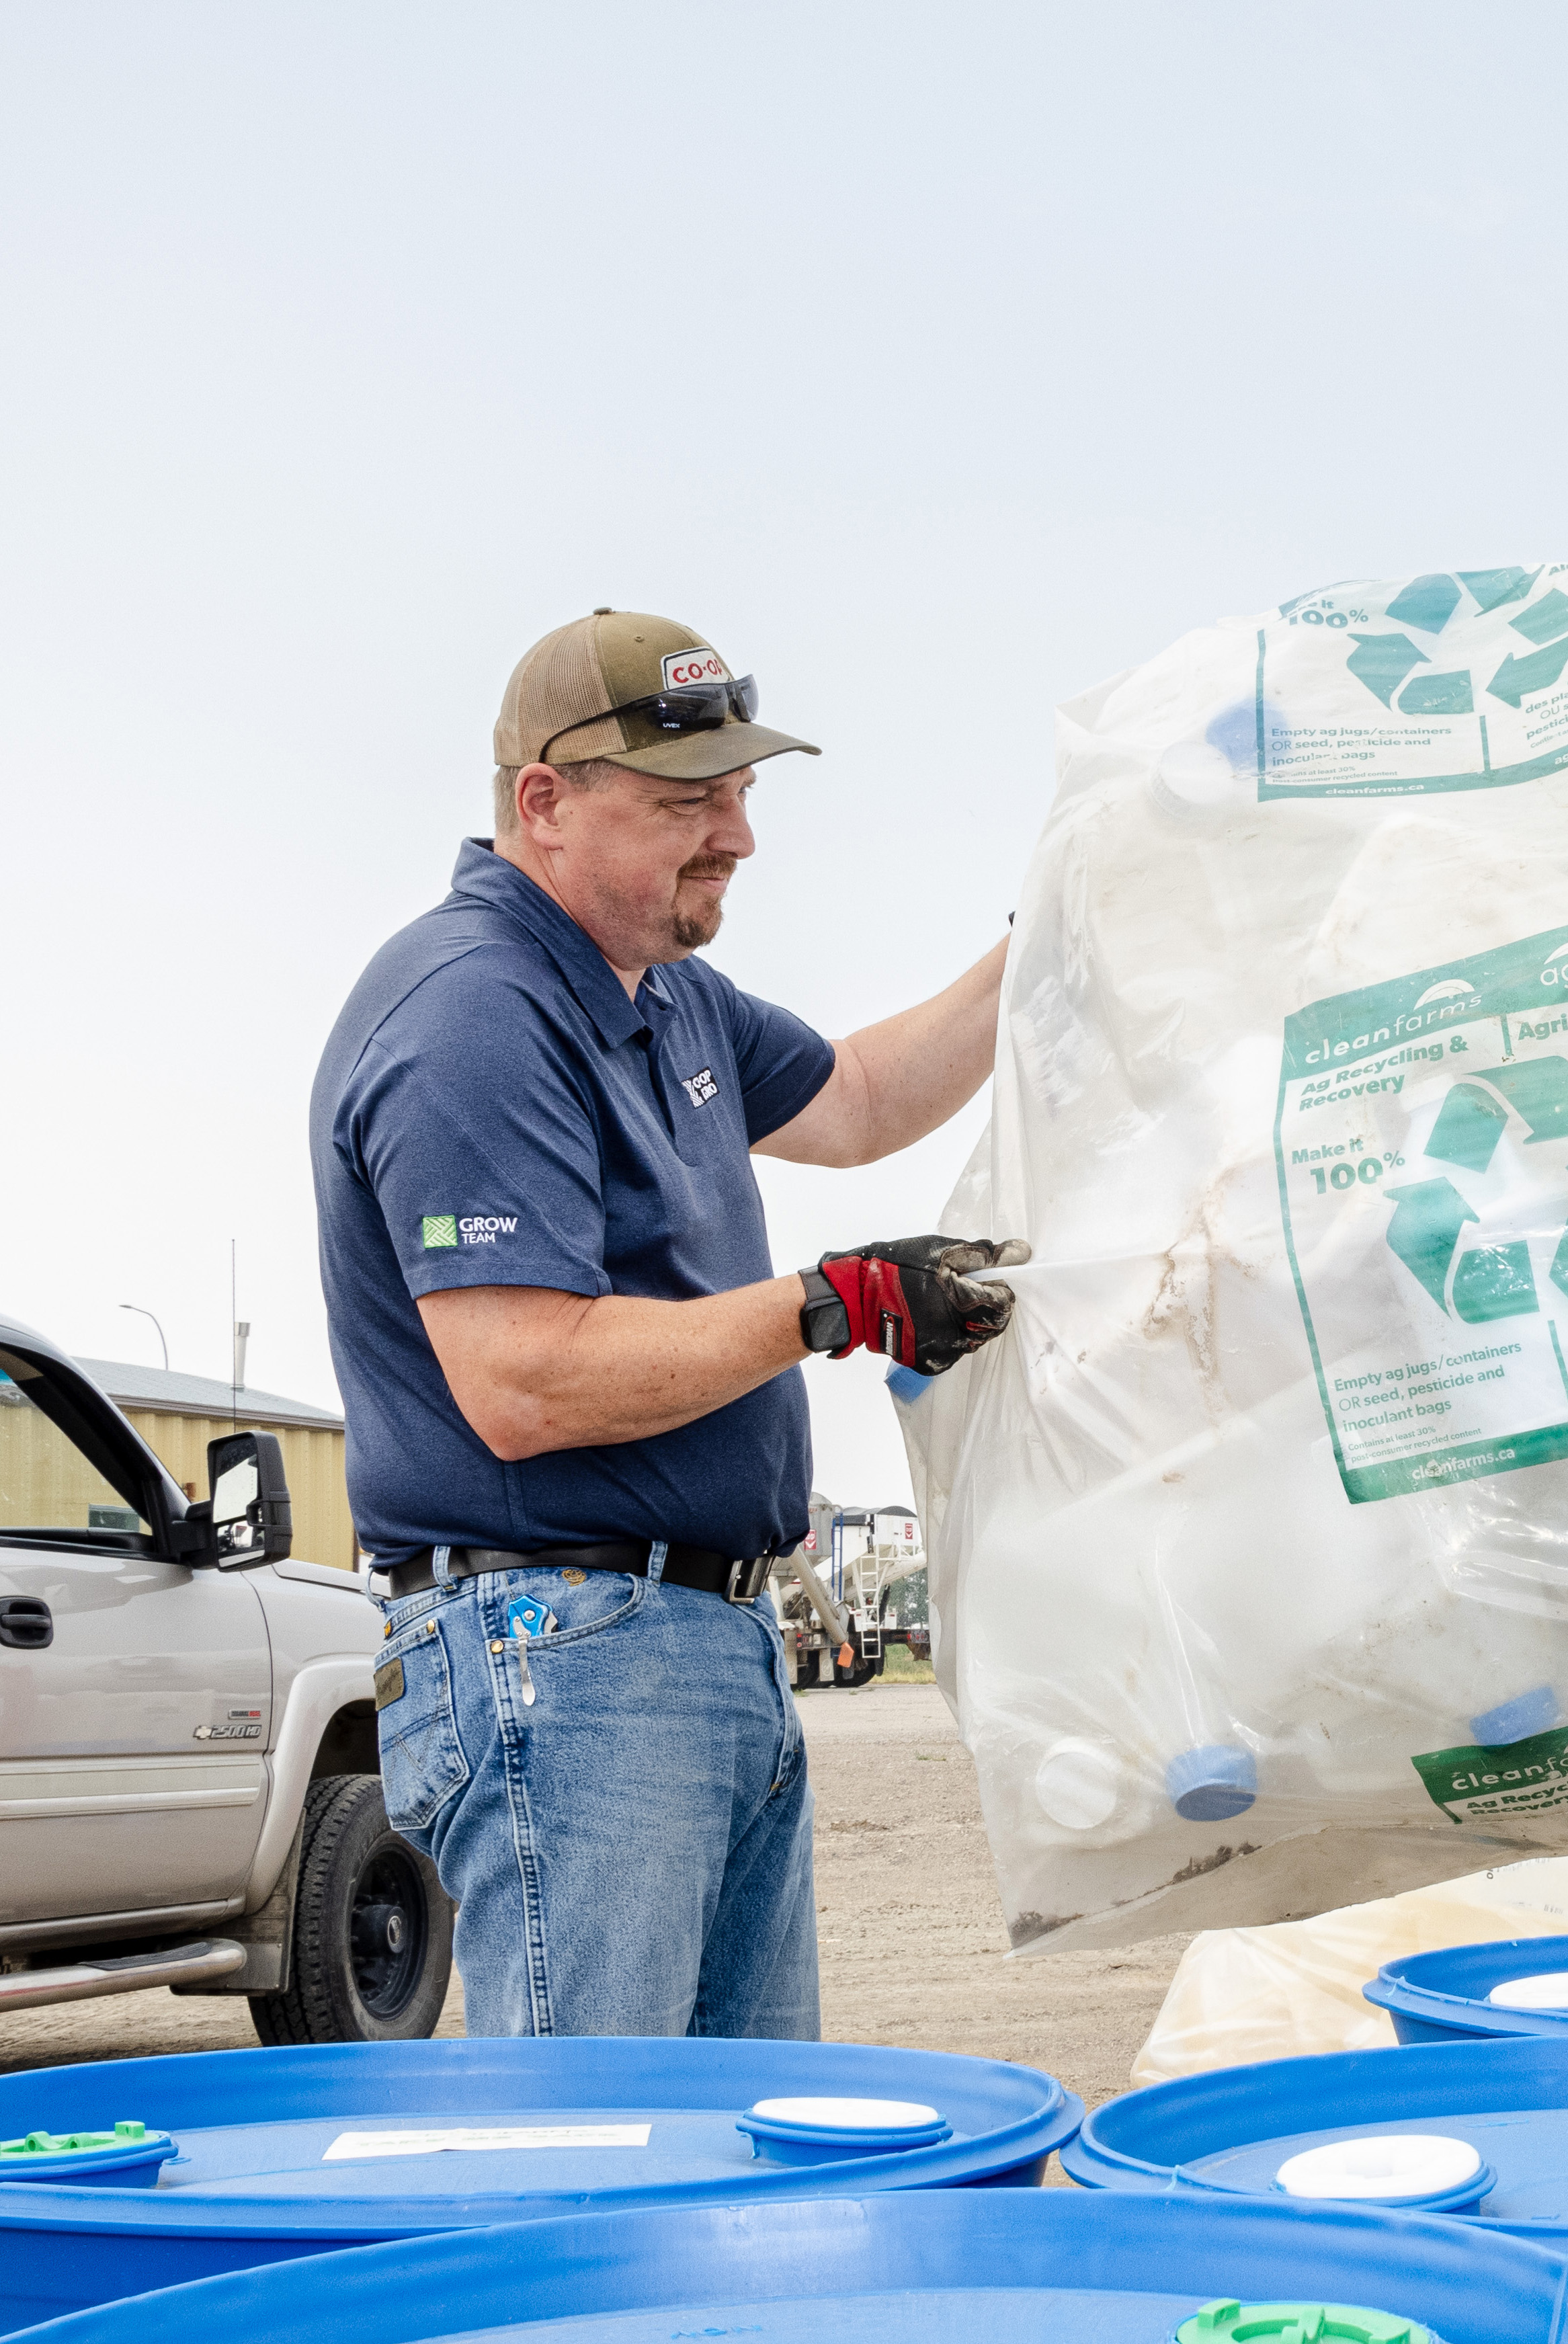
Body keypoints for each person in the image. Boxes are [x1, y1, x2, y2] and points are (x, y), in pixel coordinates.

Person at [311, 608, 1027, 2035]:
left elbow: (864, 1099)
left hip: (694, 1637)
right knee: (601, 2157)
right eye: (689, 803)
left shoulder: (667, 996)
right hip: (558, 1649)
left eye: (743, 793)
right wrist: (838, 1303)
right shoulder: (476, 1012)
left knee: (730, 2154)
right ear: (544, 801)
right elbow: (525, 1381)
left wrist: (1047, 946)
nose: (739, 836)